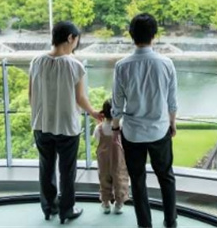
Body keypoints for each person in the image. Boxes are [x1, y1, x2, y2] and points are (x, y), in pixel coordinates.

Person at [29, 21, 102, 224]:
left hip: (41, 124)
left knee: (46, 168)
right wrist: (93, 112)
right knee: (67, 171)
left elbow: (31, 94)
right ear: (70, 38)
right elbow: (80, 98)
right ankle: (66, 210)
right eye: (76, 40)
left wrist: (38, 115)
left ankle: (48, 208)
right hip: (67, 127)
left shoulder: (36, 61)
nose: (75, 45)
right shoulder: (75, 65)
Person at [112, 13, 178, 228]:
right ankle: (170, 221)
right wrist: (172, 123)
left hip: (132, 133)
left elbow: (117, 104)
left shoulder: (122, 66)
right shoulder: (166, 63)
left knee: (138, 180)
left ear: (131, 35)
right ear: (154, 35)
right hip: (159, 130)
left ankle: (144, 224)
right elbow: (172, 101)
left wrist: (115, 128)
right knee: (166, 176)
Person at [94, 99, 129, 215]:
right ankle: (119, 204)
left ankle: (106, 203)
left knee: (104, 179)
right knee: (119, 179)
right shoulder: (121, 126)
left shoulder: (99, 128)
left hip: (103, 160)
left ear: (103, 113)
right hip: (118, 159)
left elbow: (97, 140)